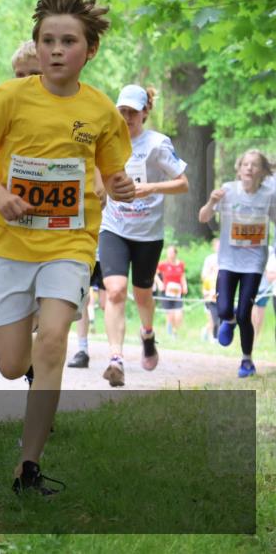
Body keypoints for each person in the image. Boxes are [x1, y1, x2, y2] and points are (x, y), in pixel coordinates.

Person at [0, 0, 135, 495]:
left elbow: (114, 177)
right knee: (14, 366)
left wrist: (120, 185)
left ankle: (29, 465)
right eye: (47, 41)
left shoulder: (102, 112)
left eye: (68, 41)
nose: (56, 50)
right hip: (12, 243)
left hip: (71, 241)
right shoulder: (9, 98)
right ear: (36, 47)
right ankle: (39, 374)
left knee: (54, 336)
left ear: (90, 50)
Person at [96, 84, 188, 386]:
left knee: (142, 293)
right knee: (115, 290)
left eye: (132, 112)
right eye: (121, 111)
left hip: (148, 232)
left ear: (145, 112)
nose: (126, 117)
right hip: (114, 227)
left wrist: (151, 188)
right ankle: (116, 358)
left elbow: (182, 183)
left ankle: (147, 334)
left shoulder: (157, 144)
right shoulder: (107, 141)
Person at [198, 149, 276, 377]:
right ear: (239, 169)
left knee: (245, 314)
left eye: (254, 165)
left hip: (254, 262)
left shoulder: (269, 194)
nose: (249, 168)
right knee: (223, 310)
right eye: (245, 164)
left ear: (262, 172)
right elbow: (203, 217)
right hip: (229, 261)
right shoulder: (228, 191)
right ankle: (228, 320)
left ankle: (247, 361)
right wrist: (212, 202)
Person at [155, 245, 187, 337]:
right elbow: (154, 273)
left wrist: (185, 285)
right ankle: (172, 333)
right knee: (170, 315)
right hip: (166, 292)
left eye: (171, 252)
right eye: (168, 252)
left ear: (175, 253)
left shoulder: (181, 264)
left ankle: (174, 330)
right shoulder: (163, 264)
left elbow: (182, 276)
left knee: (178, 315)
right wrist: (159, 283)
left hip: (178, 293)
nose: (169, 254)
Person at [200, 238, 220, 340]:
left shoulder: (225, 258)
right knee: (212, 317)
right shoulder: (209, 259)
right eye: (217, 245)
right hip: (210, 292)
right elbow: (203, 276)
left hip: (220, 291)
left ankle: (208, 332)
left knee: (218, 317)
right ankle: (211, 335)